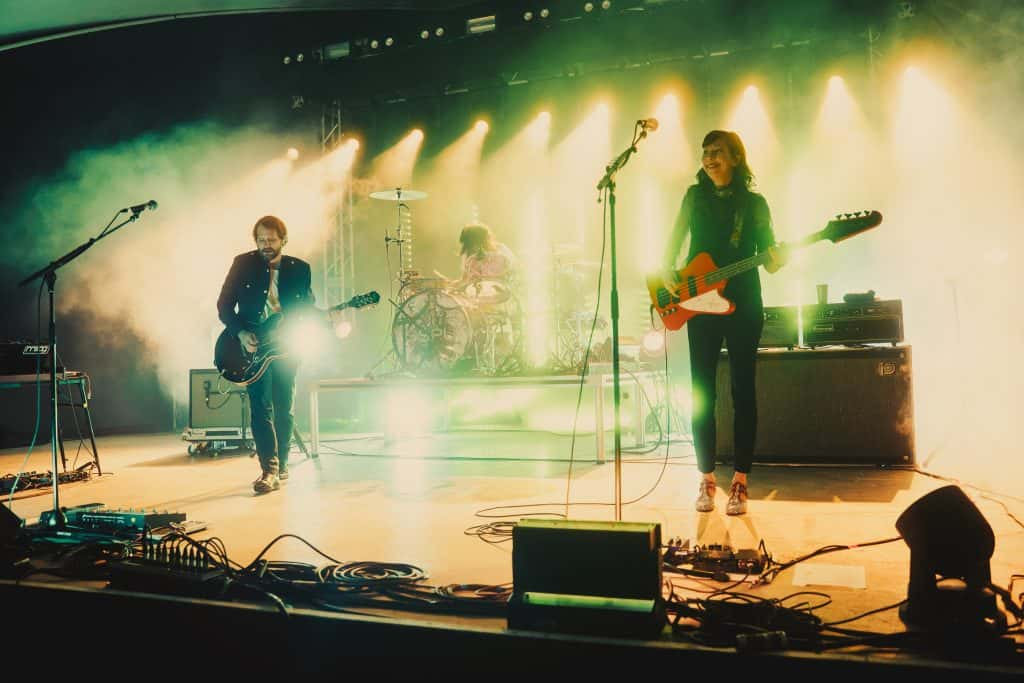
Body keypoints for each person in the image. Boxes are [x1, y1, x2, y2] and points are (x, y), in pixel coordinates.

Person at [662, 130, 788, 515]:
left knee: (742, 392)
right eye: (705, 153)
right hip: (699, 302)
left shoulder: (754, 203)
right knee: (702, 394)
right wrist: (667, 269)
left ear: (735, 157)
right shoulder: (694, 196)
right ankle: (705, 479)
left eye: (717, 152)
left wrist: (779, 256)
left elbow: (772, 258)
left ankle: (740, 482)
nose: (709, 158)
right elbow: (674, 241)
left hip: (744, 304)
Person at [217, 215, 322, 494]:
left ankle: (283, 465)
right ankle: (269, 469)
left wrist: (323, 317)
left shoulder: (300, 269)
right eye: (261, 240)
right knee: (260, 406)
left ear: (283, 240)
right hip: (251, 347)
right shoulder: (243, 264)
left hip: (287, 346)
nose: (265, 245)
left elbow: (307, 308)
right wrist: (240, 333)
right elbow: (224, 306)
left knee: (283, 405)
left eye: (271, 240)